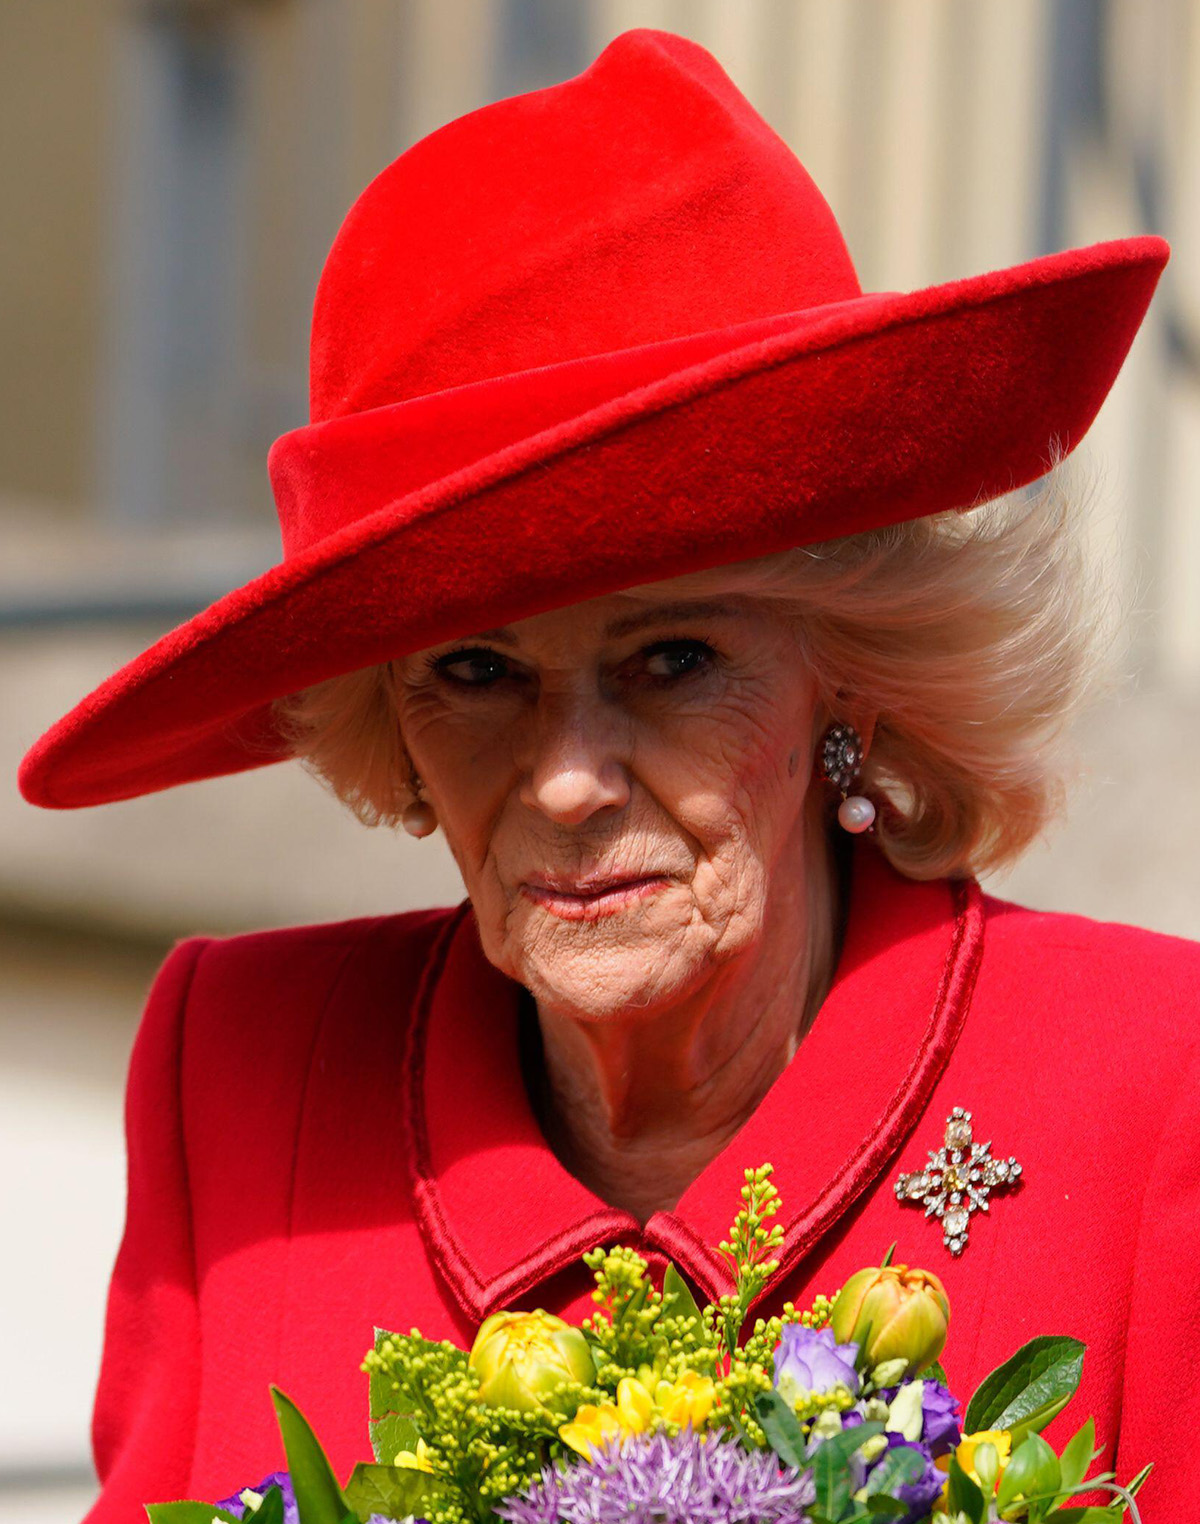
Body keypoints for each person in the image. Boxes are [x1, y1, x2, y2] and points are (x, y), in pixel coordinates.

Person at [18, 27, 1197, 1524]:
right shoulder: (239, 1073)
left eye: (674, 658)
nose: (568, 781)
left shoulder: (1158, 1092)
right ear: (392, 739)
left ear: (854, 672)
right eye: (476, 673)